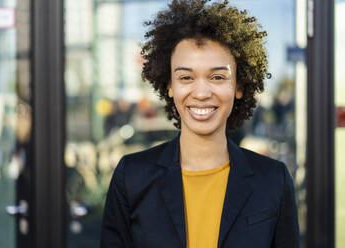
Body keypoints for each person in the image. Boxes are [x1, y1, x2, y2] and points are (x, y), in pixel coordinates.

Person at [100, 0, 300, 247]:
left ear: (238, 86)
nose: (202, 92)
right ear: (170, 86)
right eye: (186, 77)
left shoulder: (273, 180)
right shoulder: (131, 177)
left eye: (217, 77)